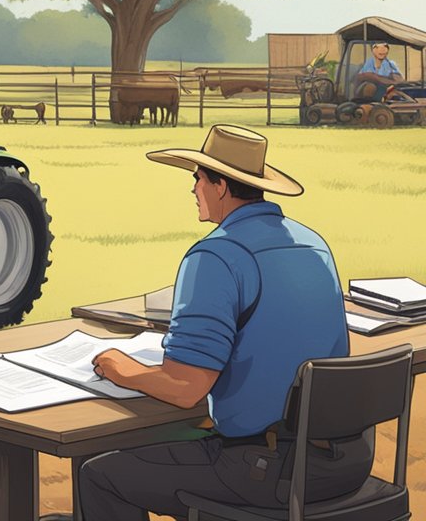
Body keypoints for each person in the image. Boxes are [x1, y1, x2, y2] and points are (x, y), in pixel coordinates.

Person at [77, 124, 370, 521]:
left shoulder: (215, 255)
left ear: (220, 186)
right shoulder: (313, 243)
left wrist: (121, 369)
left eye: (197, 178)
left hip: (268, 472)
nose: (193, 189)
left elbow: (185, 388)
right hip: (345, 463)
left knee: (99, 473)